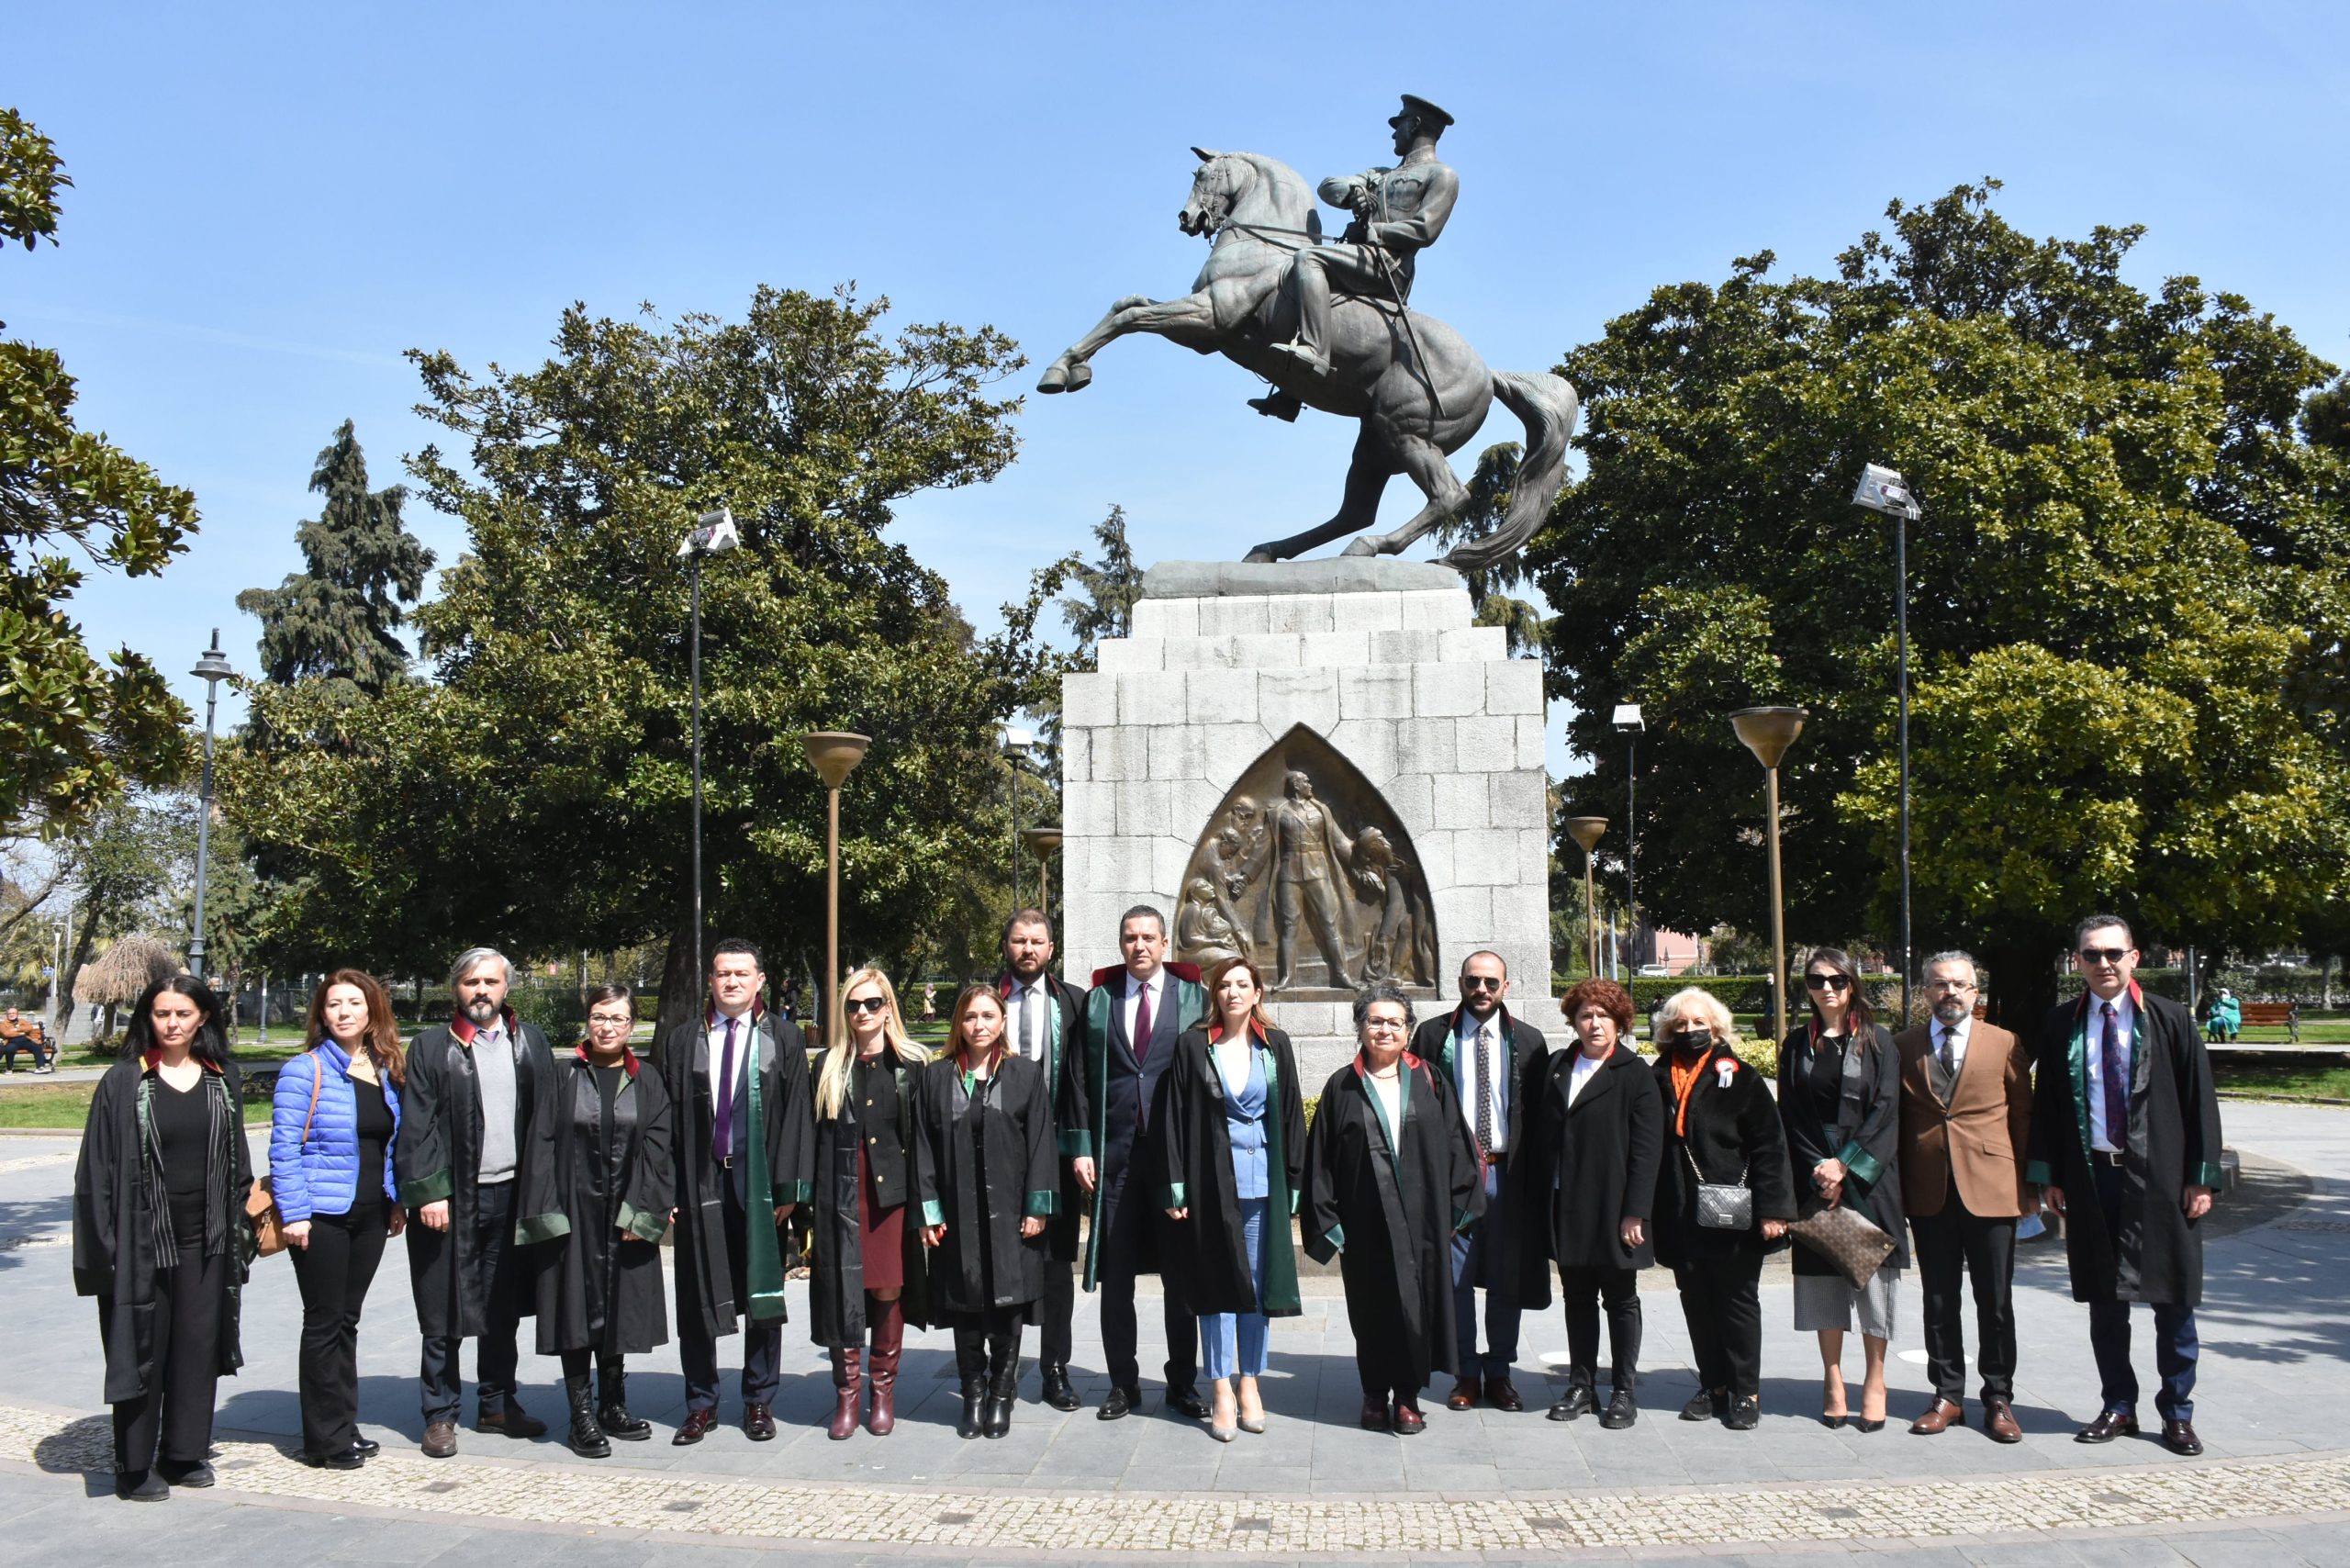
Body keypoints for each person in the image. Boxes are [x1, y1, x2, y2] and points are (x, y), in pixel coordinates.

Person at [2028, 914, 2223, 1455]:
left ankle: (2177, 1413)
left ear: (2134, 957)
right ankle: (2118, 1405)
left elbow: (2199, 1101)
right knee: (2104, 1303)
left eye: (2113, 953)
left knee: (2173, 1301)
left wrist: (2200, 1178)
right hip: (2093, 1180)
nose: (2103, 964)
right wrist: (2049, 1176)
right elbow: (2047, 1107)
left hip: (2160, 1182)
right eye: (2091, 955)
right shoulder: (2061, 1023)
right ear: (2078, 962)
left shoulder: (2169, 1018)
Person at [72, 975, 252, 1500]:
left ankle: (183, 1452)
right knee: (141, 1347)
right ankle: (133, 1464)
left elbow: (236, 1158)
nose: (172, 1023)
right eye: (161, 1013)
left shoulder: (223, 1078)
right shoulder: (125, 1081)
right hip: (141, 1242)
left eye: (183, 1013)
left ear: (204, 1019)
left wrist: (238, 1222)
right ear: (147, 1018)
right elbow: (96, 1173)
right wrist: (103, 1248)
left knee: (197, 1348)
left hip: (208, 1240)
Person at [397, 946, 568, 1458]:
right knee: (442, 1308)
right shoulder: (431, 1047)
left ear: (506, 988)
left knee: (502, 1307)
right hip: (452, 1200)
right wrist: (431, 1190)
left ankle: (497, 1404)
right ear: (457, 988)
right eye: (471, 982)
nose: (481, 991)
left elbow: (547, 1120)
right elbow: (418, 1122)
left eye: (490, 982)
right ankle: (440, 1413)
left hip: (513, 1194)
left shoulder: (529, 1042)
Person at [1303, 981, 1484, 1434]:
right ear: (1361, 1028)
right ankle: (1372, 1394)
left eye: (1394, 1022)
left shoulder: (1430, 1080)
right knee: (1371, 1309)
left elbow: (1457, 1148)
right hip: (1365, 1222)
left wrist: (1457, 1209)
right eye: (1375, 1021)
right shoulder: (1341, 1087)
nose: (1384, 1029)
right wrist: (1332, 1224)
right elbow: (1320, 1162)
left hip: (1423, 1221)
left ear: (1409, 1030)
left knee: (1417, 1307)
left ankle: (1406, 1396)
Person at [660, 937, 815, 1444]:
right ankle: (700, 1402)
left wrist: (790, 1188)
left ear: (759, 980)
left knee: (762, 1292)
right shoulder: (684, 1040)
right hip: (700, 1183)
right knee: (697, 1292)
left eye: (741, 974)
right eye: (723, 974)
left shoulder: (784, 1039)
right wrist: (670, 1190)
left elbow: (797, 1117)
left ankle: (758, 1400)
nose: (731, 982)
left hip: (761, 1187)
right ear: (711, 979)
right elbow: (665, 1123)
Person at [1069, 906, 1209, 1420]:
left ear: (1166, 942)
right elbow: (1079, 1079)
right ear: (1121, 943)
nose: (1140, 946)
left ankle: (1182, 1384)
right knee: (1117, 1277)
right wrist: (1081, 1145)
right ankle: (1121, 1385)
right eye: (1130, 938)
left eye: (1149, 937)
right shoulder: (1100, 1002)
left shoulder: (1194, 998)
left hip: (1174, 1162)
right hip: (1115, 1159)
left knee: (1180, 1278)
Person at [1160, 955, 1306, 1440]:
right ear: (1214, 994)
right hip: (1211, 1185)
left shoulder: (1275, 1045)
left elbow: (1290, 1118)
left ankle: (1250, 1382)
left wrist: (1295, 1184)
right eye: (1224, 985)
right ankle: (1220, 1384)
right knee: (1217, 1288)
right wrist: (1176, 1185)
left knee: (1256, 1290)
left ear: (1258, 993)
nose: (1234, 993)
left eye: (1243, 984)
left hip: (1264, 1183)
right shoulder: (1193, 1046)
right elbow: (1176, 1119)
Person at [1895, 950, 2031, 1442]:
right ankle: (1948, 1394)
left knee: (1995, 1300)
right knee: (1938, 1298)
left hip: (1993, 1188)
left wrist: (2027, 1188)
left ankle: (1998, 1397)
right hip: (1929, 1190)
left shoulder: (2004, 1043)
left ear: (1975, 991)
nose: (1949, 992)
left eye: (1959, 984)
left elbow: (2022, 1117)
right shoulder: (1904, 1046)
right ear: (1925, 992)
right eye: (1938, 984)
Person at [1255, 95, 1460, 420]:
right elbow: (1328, 186)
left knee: (1310, 261)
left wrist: (1373, 231)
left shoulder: (1442, 176)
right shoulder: (1379, 175)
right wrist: (1354, 193)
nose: (1394, 133)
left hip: (1389, 266)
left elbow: (1425, 230)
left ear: (1415, 125)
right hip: (1361, 257)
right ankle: (1292, 392)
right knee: (1308, 293)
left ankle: (1315, 354)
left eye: (1399, 125)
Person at [274, 970, 407, 1468]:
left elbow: (388, 1145)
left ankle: (343, 1423)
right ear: (321, 1013)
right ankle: (323, 1441)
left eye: (355, 1002)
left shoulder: (385, 1067)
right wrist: (295, 1214)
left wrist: (395, 1200)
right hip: (321, 1216)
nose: (345, 1011)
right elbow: (284, 1148)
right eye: (334, 1003)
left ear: (372, 1010)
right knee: (324, 1322)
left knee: (347, 1321)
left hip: (371, 1214)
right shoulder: (303, 1070)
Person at [1407, 949, 1547, 1414]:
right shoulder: (1431, 1036)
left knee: (1507, 1279)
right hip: (1453, 1178)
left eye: (1491, 982)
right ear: (1460, 983)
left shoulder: (1528, 1041)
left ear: (1506, 987)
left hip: (1507, 1174)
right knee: (1456, 1278)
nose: (1481, 990)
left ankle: (1501, 1372)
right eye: (1473, 981)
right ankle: (1466, 1371)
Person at [536, 983, 672, 1458]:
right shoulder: (562, 1076)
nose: (607, 1026)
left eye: (617, 1018)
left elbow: (659, 1149)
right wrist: (547, 1212)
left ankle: (613, 1405)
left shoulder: (649, 1079)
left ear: (632, 1024)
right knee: (575, 1311)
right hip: (572, 1214)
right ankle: (581, 1416)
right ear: (587, 1020)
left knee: (617, 1307)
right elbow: (541, 1146)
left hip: (623, 1214)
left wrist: (643, 1211)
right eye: (599, 1016)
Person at [914, 984, 1057, 1439]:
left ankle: (1001, 1392)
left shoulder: (1023, 1074)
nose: (979, 1025)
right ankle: (972, 1392)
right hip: (956, 1213)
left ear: (1002, 1024)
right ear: (959, 1023)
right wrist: (929, 1211)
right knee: (966, 1302)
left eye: (988, 1017)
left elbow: (1040, 1144)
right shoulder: (936, 1077)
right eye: (971, 1017)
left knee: (1007, 1305)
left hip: (1009, 1210)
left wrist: (1038, 1204)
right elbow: (922, 1148)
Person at [1517, 978, 1659, 1429]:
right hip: (1567, 1203)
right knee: (1577, 1296)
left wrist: (1636, 1210)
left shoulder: (1634, 1072)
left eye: (1603, 1015)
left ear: (1619, 1021)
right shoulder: (1559, 1065)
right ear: (1574, 1022)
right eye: (1585, 1015)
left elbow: (1647, 1148)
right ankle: (1581, 1385)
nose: (1594, 1023)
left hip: (1616, 1207)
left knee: (1620, 1298)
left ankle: (1622, 1389)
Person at [1651, 987, 1794, 1431]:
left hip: (1733, 1210)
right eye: (1681, 1024)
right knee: (1696, 1302)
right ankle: (1712, 1385)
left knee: (1736, 1302)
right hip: (1677, 1212)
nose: (1690, 1030)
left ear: (1715, 1028)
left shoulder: (1740, 1076)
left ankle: (1745, 1390)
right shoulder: (1656, 1075)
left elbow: (1770, 1145)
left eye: (1699, 1023)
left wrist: (1775, 1210)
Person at [1778, 949, 1906, 1432]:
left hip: (1869, 1177)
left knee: (1875, 1284)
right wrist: (1820, 1169)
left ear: (1852, 984)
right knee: (1822, 1282)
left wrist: (1845, 1167)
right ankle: (1833, 1379)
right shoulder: (1796, 1045)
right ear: (1806, 987)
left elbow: (1887, 1109)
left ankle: (1876, 1379)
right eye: (1816, 980)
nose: (1827, 988)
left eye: (1836, 979)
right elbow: (1791, 1113)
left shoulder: (1878, 1042)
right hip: (1815, 1177)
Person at [808, 968, 931, 1439]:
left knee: (886, 1290)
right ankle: (846, 1395)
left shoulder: (913, 1063)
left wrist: (926, 1208)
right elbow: (812, 1137)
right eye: (854, 1005)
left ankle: (882, 1392)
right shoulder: (827, 1066)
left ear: (889, 1008)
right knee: (843, 1293)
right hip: (841, 1194)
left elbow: (922, 1141)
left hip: (891, 1199)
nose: (863, 1012)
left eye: (873, 1003)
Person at [994, 909, 1089, 1410]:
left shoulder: (1072, 1003)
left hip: (1055, 1154)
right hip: (996, 1155)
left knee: (1056, 1268)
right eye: (1018, 941)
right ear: (1005, 947)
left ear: (1052, 949)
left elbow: (1082, 1084)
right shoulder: (984, 1004)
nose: (1027, 949)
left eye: (1037, 941)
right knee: (1000, 1263)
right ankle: (1001, 1370)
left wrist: (1083, 1148)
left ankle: (1054, 1368)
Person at [0, 1006, 52, 1072]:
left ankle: (40, 1067)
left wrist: (17, 1029)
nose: (11, 1015)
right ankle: (9, 1068)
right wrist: (20, 1033)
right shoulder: (3, 1024)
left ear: (17, 1014)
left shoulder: (22, 1021)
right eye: (10, 1013)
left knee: (37, 1047)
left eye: (13, 1013)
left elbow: (29, 1028)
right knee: (9, 1049)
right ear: (7, 1015)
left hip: (25, 1040)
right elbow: (6, 1034)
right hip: (12, 1041)